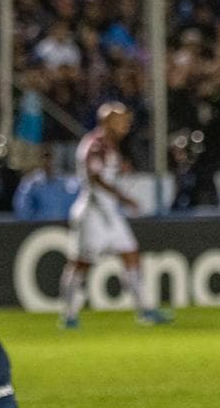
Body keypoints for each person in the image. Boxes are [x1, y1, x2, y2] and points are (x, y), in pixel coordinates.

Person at [57, 102, 171, 328]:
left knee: (131, 254)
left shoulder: (110, 145)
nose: (126, 125)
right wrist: (123, 197)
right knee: (82, 264)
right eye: (121, 121)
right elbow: (95, 178)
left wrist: (120, 171)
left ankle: (146, 309)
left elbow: (106, 173)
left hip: (110, 212)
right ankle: (69, 315)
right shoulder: (94, 145)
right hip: (93, 212)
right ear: (107, 122)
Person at [11, 147, 80, 221]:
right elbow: (22, 208)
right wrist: (35, 221)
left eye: (50, 157)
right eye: (44, 157)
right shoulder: (30, 184)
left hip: (61, 225)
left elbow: (74, 205)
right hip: (40, 225)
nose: (47, 161)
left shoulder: (66, 182)